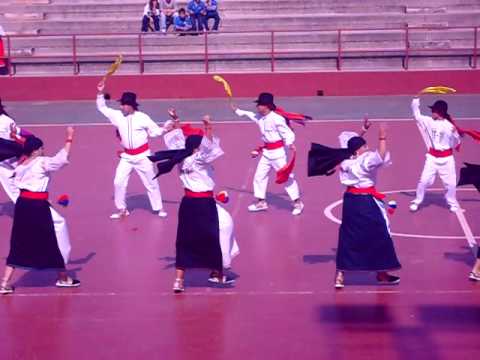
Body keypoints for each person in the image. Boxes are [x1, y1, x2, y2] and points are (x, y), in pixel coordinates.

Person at [149, 114, 236, 293]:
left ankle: (178, 281)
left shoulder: (181, 157)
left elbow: (177, 140)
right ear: (197, 148)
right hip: (204, 204)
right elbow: (209, 148)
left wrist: (176, 121)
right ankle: (217, 273)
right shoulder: (198, 160)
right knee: (214, 236)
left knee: (184, 240)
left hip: (187, 203)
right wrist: (208, 127)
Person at [308, 125, 401, 288]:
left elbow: (349, 146)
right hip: (367, 202)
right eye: (365, 146)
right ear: (359, 149)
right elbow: (380, 155)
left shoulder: (345, 161)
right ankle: (381, 272)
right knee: (380, 234)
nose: (368, 148)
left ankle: (340, 275)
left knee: (348, 235)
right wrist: (382, 137)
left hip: (350, 201)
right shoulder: (366, 160)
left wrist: (362, 132)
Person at [0, 128, 80, 295]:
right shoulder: (42, 162)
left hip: (23, 205)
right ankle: (64, 277)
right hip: (37, 206)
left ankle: (4, 283)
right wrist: (70, 137)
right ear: (36, 151)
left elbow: (22, 187)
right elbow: (61, 159)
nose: (44, 150)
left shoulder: (21, 164)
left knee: (18, 242)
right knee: (55, 234)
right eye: (41, 148)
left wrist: (41, 197)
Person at [96, 81, 168, 219]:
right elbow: (102, 108)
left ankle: (159, 208)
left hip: (143, 156)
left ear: (130, 106)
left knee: (151, 182)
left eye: (123, 104)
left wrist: (165, 129)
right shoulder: (117, 116)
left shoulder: (142, 117)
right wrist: (100, 92)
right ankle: (122, 209)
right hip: (127, 157)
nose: (121, 107)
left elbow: (154, 132)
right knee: (118, 181)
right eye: (121, 104)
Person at [232, 92, 304, 216]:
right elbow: (249, 114)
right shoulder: (259, 117)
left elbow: (288, 133)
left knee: (286, 177)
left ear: (266, 106)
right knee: (259, 177)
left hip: (278, 154)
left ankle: (297, 203)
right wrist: (237, 110)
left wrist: (290, 143)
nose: (257, 107)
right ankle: (261, 202)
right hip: (266, 153)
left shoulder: (276, 119)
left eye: (259, 104)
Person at [409, 98, 461, 212]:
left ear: (440, 112)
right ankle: (417, 201)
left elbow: (457, 144)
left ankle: (452, 202)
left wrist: (455, 134)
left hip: (447, 159)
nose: (431, 112)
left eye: (433, 110)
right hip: (432, 158)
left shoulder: (449, 126)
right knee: (423, 181)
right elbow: (417, 116)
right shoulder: (429, 121)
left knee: (450, 183)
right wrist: (415, 102)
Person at [0, 98, 21, 202]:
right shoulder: (8, 120)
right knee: (14, 191)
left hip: (12, 159)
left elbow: (16, 138)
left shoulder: (6, 121)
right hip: (4, 161)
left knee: (20, 187)